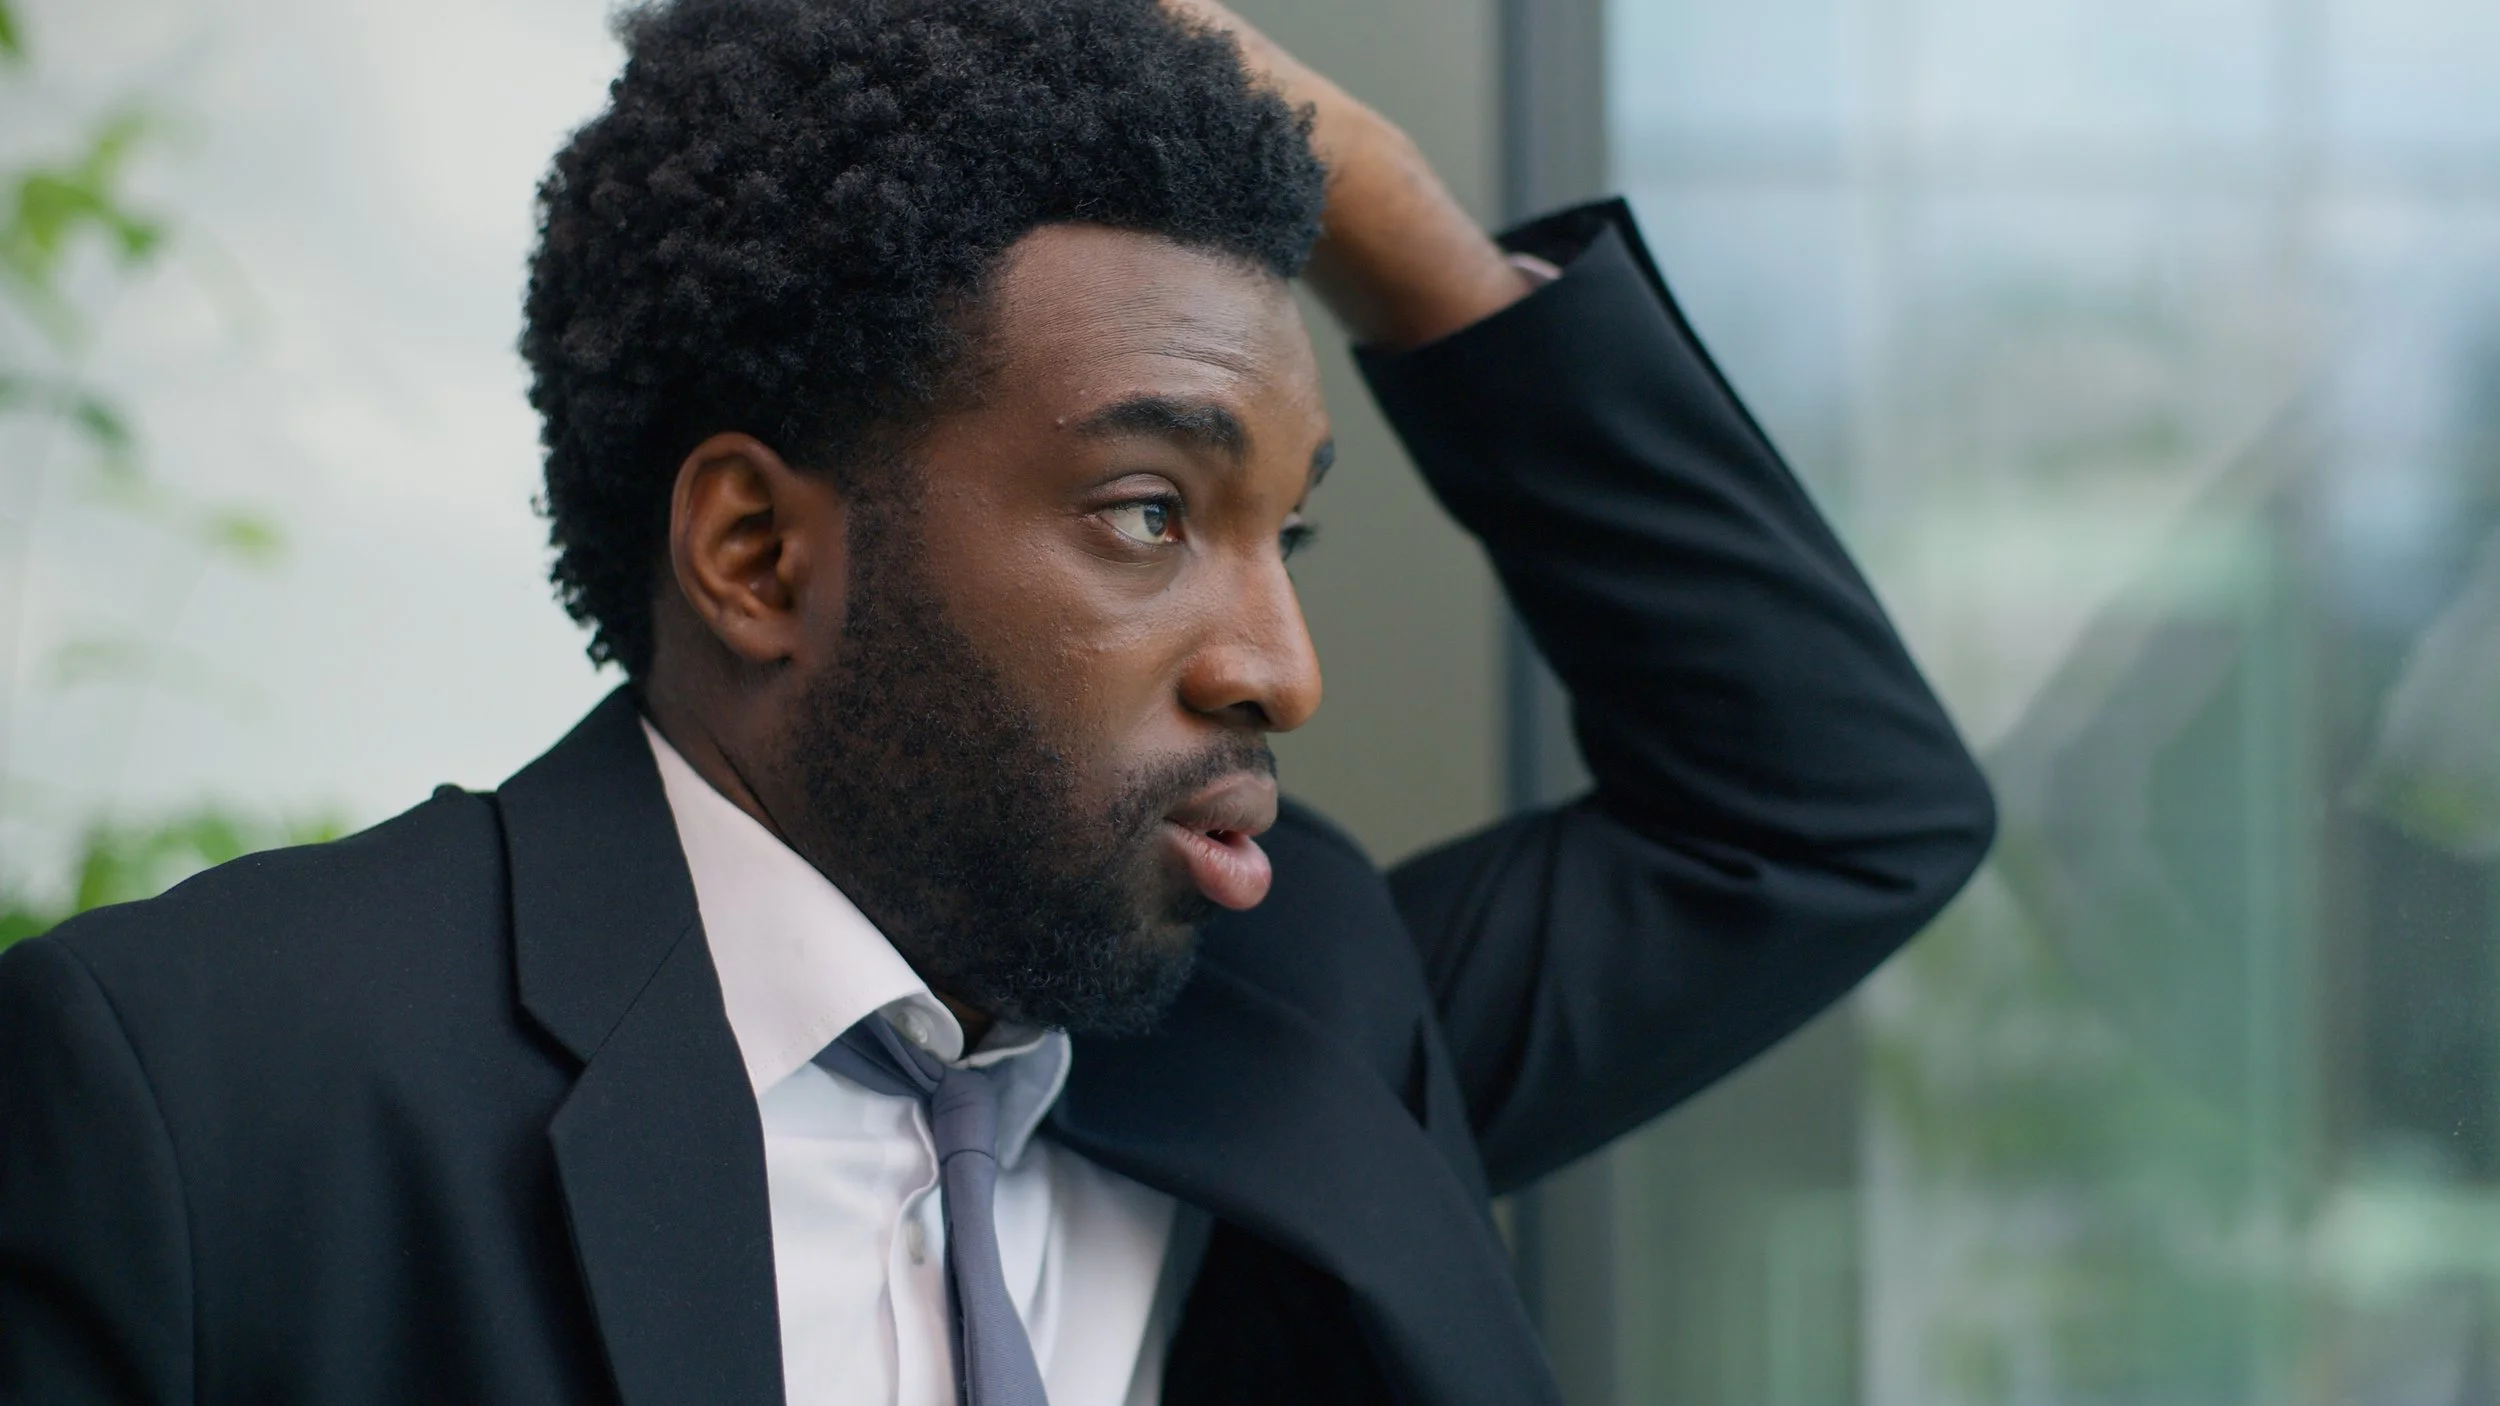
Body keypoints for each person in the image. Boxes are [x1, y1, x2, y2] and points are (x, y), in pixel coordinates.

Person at [0, 0, 1995, 1402]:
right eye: (1150, 512)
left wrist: (1384, 211)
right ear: (758, 555)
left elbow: (1824, 814)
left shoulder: (1296, 995)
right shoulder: (201, 1090)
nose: (1276, 666)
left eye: (1280, 532)